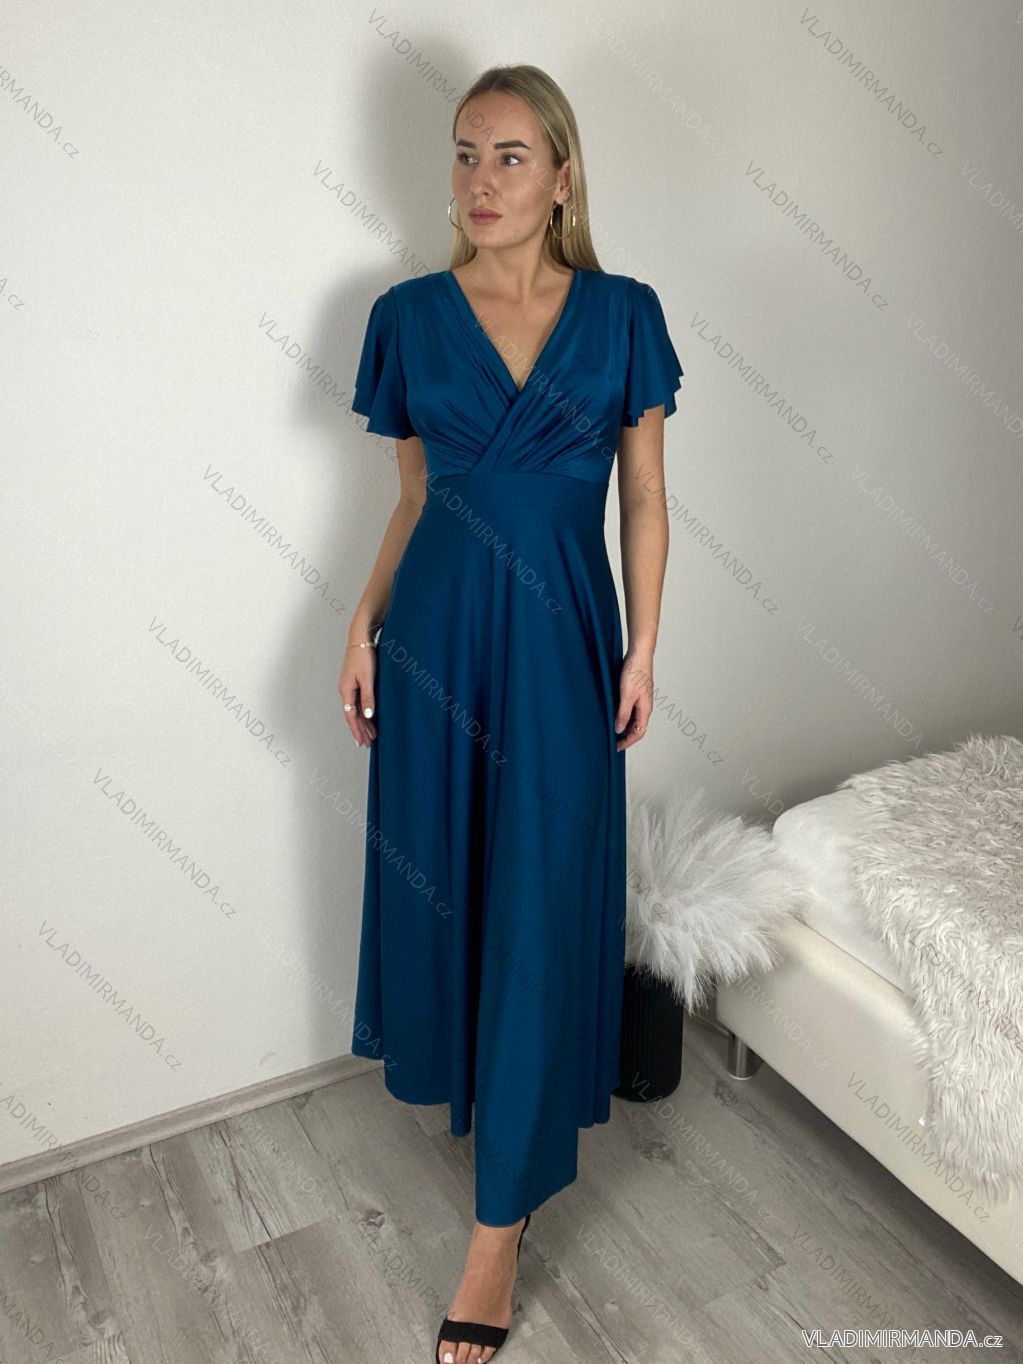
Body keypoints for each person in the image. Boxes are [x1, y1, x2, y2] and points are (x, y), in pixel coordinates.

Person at [339, 63, 683, 1364]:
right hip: (435, 642)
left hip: (560, 644)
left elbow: (642, 496)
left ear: (562, 176)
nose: (481, 182)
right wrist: (361, 625)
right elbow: (414, 499)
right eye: (465, 154)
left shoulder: (625, 315)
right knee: (458, 891)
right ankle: (495, 1128)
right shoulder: (407, 317)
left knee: (542, 900)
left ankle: (498, 1233)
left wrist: (644, 646)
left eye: (510, 157)